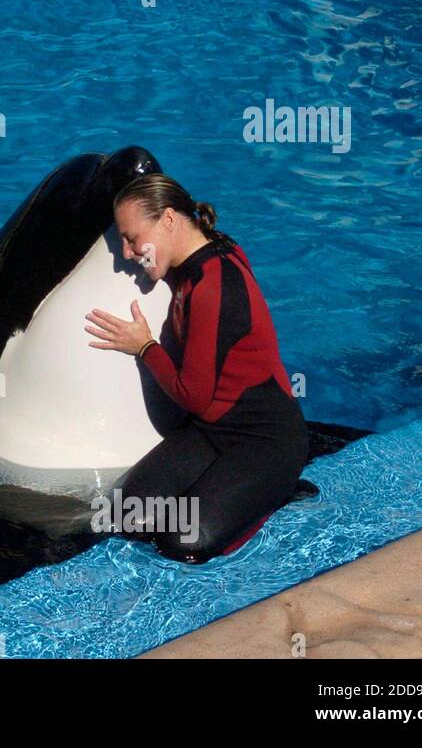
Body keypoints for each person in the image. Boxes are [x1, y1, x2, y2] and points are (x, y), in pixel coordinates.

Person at [82, 173, 308, 562]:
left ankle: (273, 493)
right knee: (124, 517)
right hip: (210, 432)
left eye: (132, 239)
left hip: (266, 442)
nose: (127, 253)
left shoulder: (214, 287)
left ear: (169, 220)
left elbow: (194, 396)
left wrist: (144, 347)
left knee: (183, 541)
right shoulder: (206, 252)